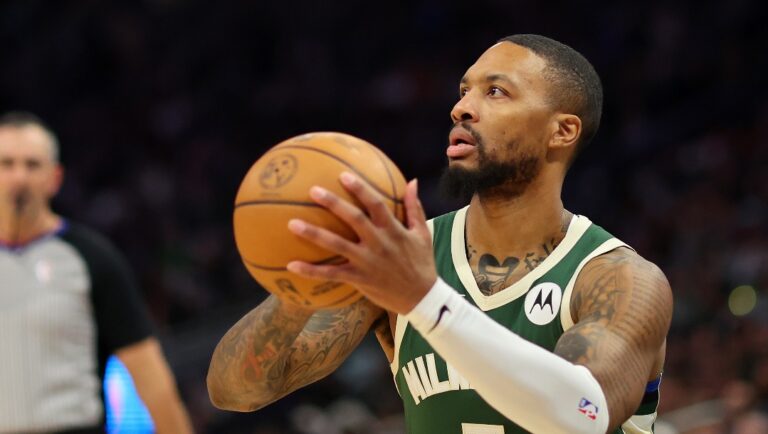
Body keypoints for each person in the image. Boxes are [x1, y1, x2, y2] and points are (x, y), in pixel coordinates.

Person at [207, 34, 673, 434]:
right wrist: (306, 283)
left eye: (496, 92)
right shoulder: (400, 260)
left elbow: (580, 416)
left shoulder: (620, 279)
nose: (461, 108)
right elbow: (235, 391)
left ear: (562, 130)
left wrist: (425, 301)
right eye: (464, 90)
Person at [0, 112, 194, 434]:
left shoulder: (92, 257)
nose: (19, 177)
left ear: (55, 178)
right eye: (6, 164)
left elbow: (151, 376)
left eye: (32, 165)